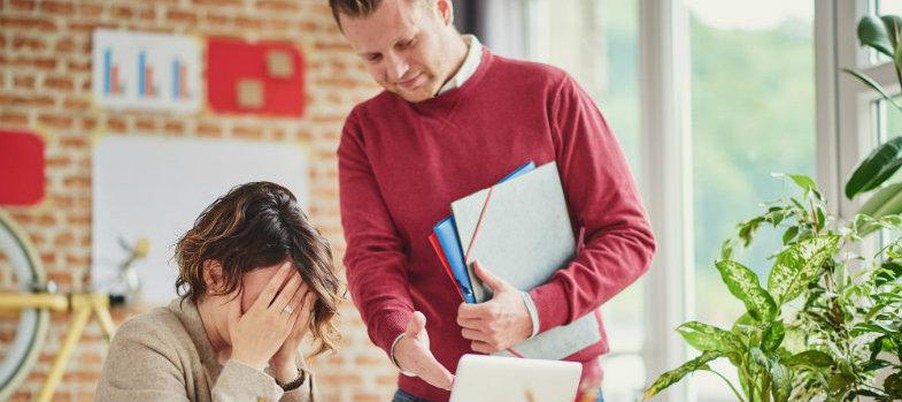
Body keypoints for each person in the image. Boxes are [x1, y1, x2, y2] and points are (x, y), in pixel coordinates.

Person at [331, 0, 657, 401]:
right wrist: (397, 336)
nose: (396, 70)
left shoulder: (549, 93)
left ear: (443, 9)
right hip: (434, 390)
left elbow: (629, 237)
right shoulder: (365, 132)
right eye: (373, 57)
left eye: (407, 42)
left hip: (556, 387)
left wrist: (536, 311)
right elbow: (371, 257)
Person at [95, 182, 343, 402]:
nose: (281, 321)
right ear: (216, 276)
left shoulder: (276, 356)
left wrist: (287, 370)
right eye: (275, 298)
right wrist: (247, 364)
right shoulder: (145, 344)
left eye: (297, 301)